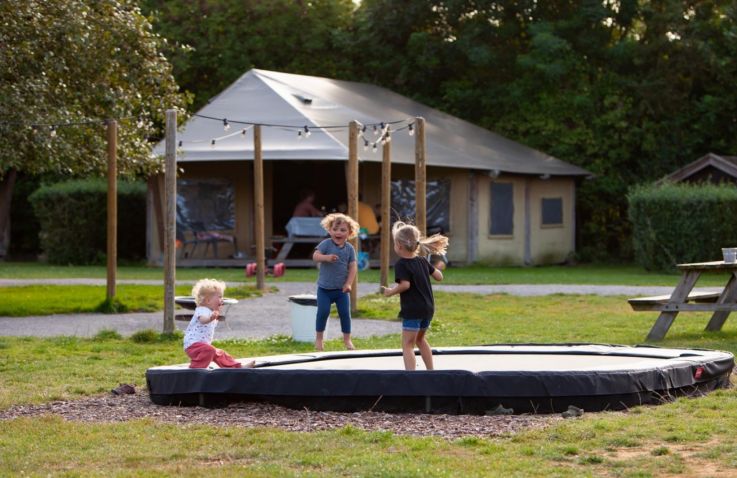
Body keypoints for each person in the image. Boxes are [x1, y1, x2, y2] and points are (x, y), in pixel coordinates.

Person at [382, 221, 449, 371]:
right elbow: (439, 277)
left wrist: (390, 292)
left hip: (413, 310)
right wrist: (436, 268)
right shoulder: (422, 261)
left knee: (407, 344)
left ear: (398, 245)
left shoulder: (402, 264)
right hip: (428, 309)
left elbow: (405, 285)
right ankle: (431, 371)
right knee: (420, 339)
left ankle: (411, 376)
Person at [312, 212, 360, 351]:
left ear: (350, 233)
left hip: (341, 290)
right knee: (323, 312)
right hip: (324, 289)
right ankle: (319, 340)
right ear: (329, 230)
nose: (338, 233)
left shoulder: (349, 249)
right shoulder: (326, 244)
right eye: (335, 229)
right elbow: (315, 256)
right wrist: (326, 258)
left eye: (343, 230)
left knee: (345, 314)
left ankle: (347, 340)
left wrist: (348, 283)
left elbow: (353, 267)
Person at [183, 278, 255, 369]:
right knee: (210, 350)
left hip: (202, 345)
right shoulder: (201, 310)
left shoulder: (211, 311)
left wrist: (215, 313)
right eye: (219, 297)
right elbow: (203, 320)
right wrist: (211, 318)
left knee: (219, 353)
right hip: (192, 345)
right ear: (208, 301)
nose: (222, 299)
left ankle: (237, 367)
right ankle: (195, 369)